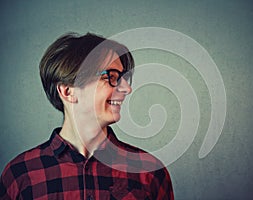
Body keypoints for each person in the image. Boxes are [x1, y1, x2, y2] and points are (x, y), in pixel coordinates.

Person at [0, 33, 174, 199]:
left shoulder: (149, 171)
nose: (126, 89)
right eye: (111, 77)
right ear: (68, 91)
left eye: (123, 78)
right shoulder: (20, 175)